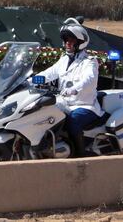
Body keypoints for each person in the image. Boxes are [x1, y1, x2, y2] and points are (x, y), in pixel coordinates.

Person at [35, 22, 100, 157]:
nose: (67, 44)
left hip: (84, 105)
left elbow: (89, 80)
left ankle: (80, 156)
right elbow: (48, 74)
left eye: (71, 40)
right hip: (64, 103)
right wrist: (30, 81)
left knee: (73, 121)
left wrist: (74, 89)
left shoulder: (89, 61)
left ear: (80, 42)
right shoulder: (64, 60)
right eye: (66, 40)